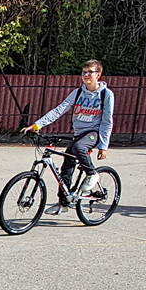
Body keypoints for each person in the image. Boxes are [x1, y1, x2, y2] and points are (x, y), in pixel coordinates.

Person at [20, 60, 114, 214]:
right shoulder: (78, 93)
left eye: (90, 72)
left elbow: (107, 121)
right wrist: (37, 125)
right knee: (66, 166)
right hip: (79, 134)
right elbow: (59, 109)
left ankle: (92, 174)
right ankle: (63, 202)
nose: (86, 75)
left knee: (78, 148)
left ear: (98, 75)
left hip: (94, 133)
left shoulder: (106, 94)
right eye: (84, 72)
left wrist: (103, 146)